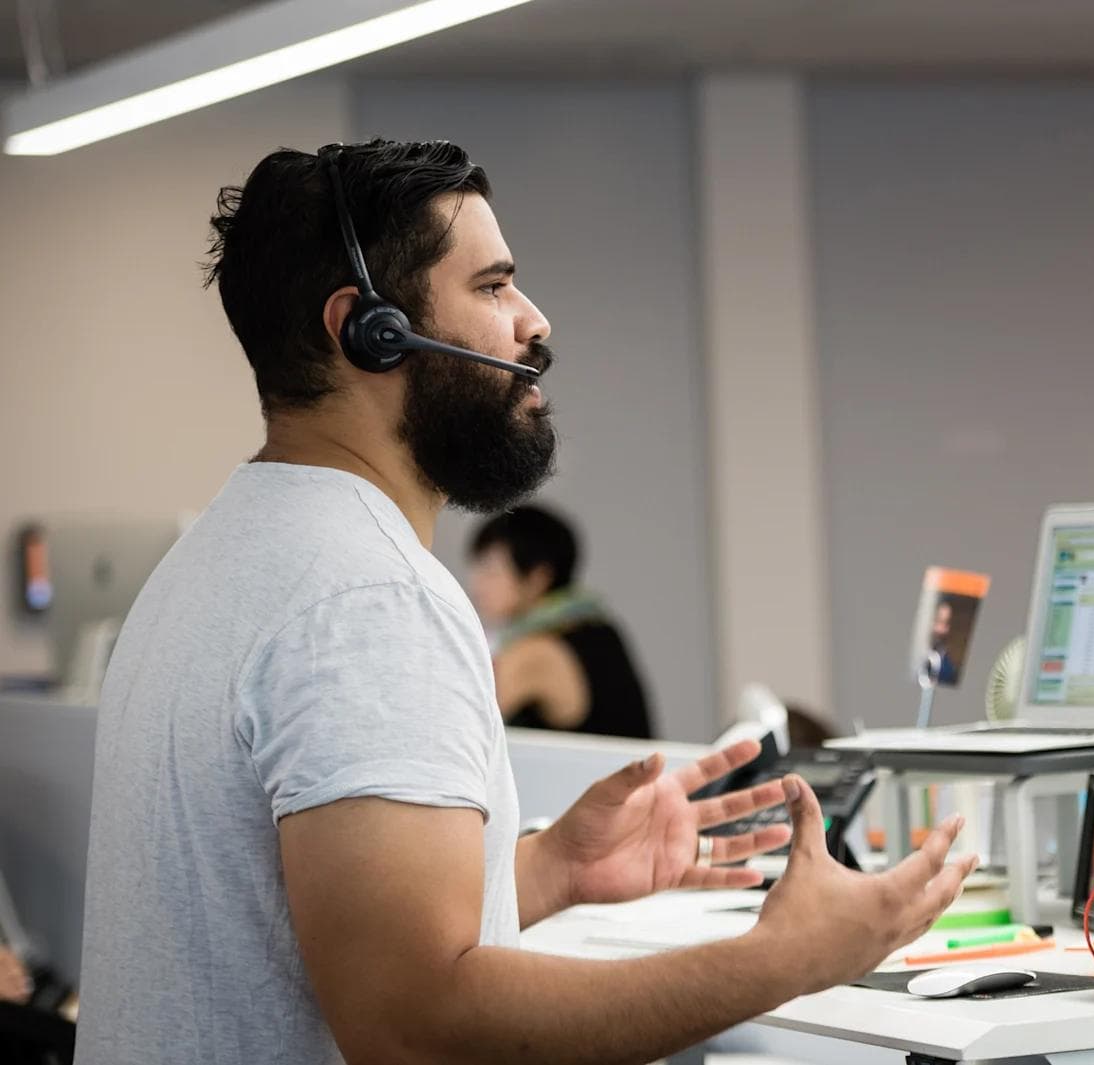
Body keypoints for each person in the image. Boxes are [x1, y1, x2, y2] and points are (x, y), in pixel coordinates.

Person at [74, 138, 973, 1065]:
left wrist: (550, 870)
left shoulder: (220, 557)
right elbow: (416, 1026)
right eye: (495, 287)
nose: (534, 323)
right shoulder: (369, 599)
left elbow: (297, 919)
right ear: (369, 331)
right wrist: (783, 959)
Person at [467, 505, 654, 738]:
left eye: (490, 570)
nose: (475, 583)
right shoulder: (595, 625)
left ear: (537, 576)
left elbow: (460, 718)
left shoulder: (538, 651)